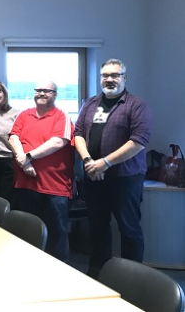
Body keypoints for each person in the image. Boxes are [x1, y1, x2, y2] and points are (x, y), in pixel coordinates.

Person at [74, 59, 152, 278]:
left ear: (124, 78)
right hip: (93, 177)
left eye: (115, 75)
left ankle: (131, 278)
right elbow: (78, 133)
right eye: (105, 75)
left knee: (129, 230)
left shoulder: (136, 106)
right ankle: (99, 273)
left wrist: (105, 162)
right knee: (97, 227)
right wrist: (89, 161)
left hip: (125, 180)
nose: (109, 79)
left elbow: (138, 141)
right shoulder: (90, 104)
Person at [9, 80, 74, 262]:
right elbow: (14, 137)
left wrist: (28, 157)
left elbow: (58, 142)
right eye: (38, 90)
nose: (41, 94)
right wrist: (23, 162)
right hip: (25, 185)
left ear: (55, 94)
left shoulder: (62, 117)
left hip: (54, 188)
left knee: (56, 240)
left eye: (47, 91)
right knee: (26, 237)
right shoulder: (24, 115)